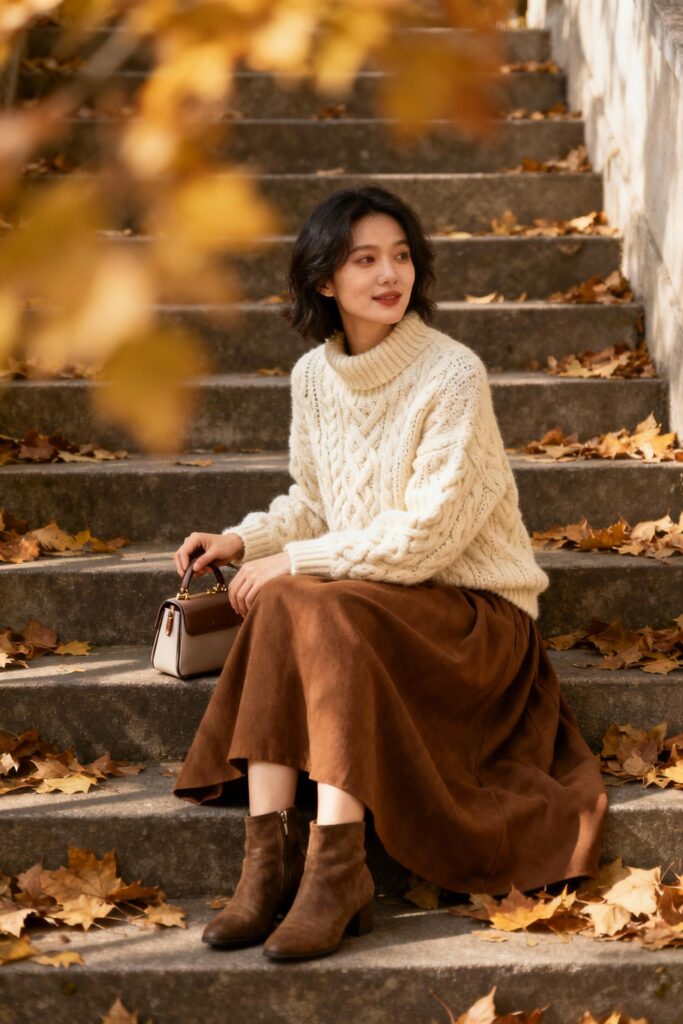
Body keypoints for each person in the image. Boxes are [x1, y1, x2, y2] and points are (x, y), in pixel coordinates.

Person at [171, 185, 608, 963]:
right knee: (292, 601)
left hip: (468, 619)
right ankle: (266, 864)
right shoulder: (312, 376)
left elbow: (428, 538)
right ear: (323, 281)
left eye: (400, 256)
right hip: (367, 602)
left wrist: (293, 562)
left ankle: (336, 864)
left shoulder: (451, 374)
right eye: (364, 259)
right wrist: (242, 541)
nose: (388, 274)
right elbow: (313, 499)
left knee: (311, 599)